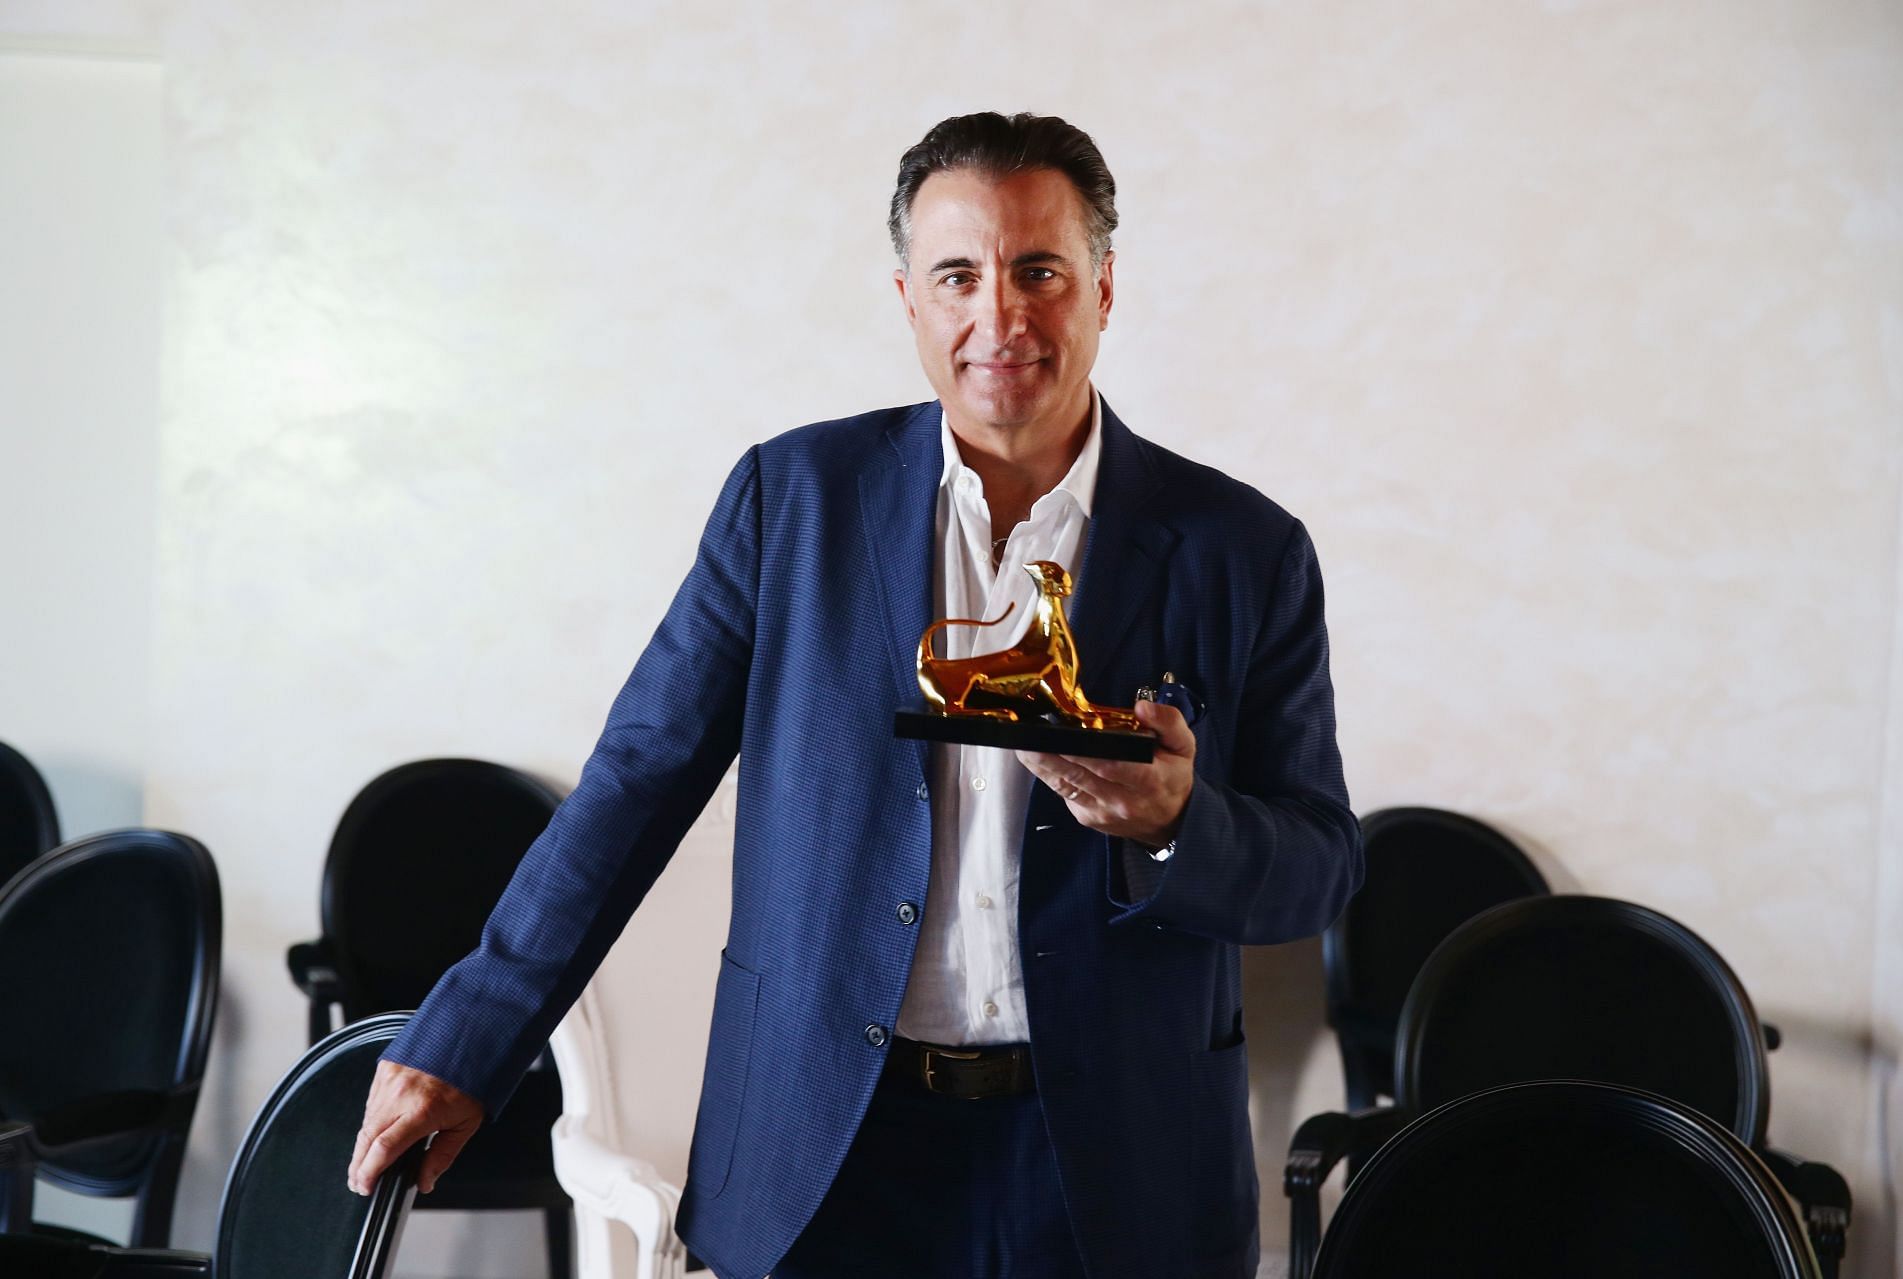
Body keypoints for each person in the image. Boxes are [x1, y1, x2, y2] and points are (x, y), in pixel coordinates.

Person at [347, 111, 1362, 1279]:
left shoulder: (1245, 547)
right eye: (959, 275)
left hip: (1118, 1165)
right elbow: (634, 784)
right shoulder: (793, 502)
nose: (1002, 316)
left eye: (1041, 270)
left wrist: (1183, 822)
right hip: (828, 1146)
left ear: (1104, 287)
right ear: (909, 299)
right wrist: (469, 1036)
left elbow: (1320, 865)